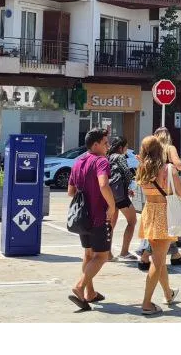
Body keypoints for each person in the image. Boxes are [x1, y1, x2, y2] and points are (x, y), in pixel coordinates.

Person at [67, 127, 117, 311]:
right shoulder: (101, 161)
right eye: (105, 143)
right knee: (102, 255)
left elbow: (70, 192)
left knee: (88, 254)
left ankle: (90, 292)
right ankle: (80, 286)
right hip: (98, 217)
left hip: (82, 217)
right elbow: (103, 184)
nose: (108, 146)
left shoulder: (78, 161)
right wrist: (111, 206)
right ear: (95, 145)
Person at [136, 135, 181, 315]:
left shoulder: (142, 169)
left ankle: (168, 294)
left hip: (149, 211)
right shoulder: (168, 169)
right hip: (164, 212)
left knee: (160, 258)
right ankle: (147, 303)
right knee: (157, 260)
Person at [106, 137, 138, 261]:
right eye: (126, 147)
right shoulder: (120, 157)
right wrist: (130, 185)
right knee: (132, 220)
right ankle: (124, 252)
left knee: (111, 223)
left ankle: (108, 253)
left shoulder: (107, 157)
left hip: (110, 193)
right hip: (120, 196)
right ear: (121, 147)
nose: (126, 149)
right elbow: (126, 173)